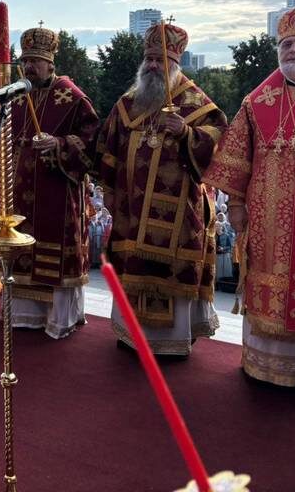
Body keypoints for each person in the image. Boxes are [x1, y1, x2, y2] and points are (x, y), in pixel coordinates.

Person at [203, 5, 295, 386]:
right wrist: (235, 205)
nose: (294, 52)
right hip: (266, 226)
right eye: (287, 45)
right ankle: (267, 369)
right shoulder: (258, 101)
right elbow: (235, 159)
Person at [97, 22, 227, 356]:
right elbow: (108, 149)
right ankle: (131, 334)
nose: (154, 65)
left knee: (172, 271)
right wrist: (109, 191)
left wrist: (186, 133)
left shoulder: (198, 104)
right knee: (132, 266)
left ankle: (173, 341)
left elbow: (219, 145)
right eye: (150, 59)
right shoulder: (128, 103)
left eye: (162, 60)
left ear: (176, 62)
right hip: (132, 209)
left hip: (180, 212)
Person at [0, 27, 100, 338]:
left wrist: (59, 144)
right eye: (25, 62)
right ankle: (25, 316)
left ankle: (59, 319)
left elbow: (92, 140)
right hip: (22, 190)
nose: (28, 68)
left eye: (35, 62)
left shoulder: (72, 97)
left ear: (50, 64)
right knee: (23, 251)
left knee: (53, 254)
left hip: (57, 190)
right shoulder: (18, 95)